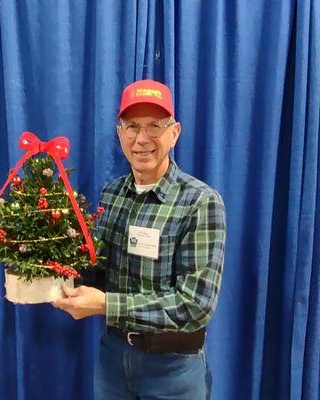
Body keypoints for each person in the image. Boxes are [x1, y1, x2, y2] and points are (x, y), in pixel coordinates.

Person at [53, 79, 226, 399]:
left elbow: (195, 305)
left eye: (154, 126)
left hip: (173, 370)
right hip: (113, 361)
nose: (141, 139)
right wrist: (55, 272)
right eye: (132, 126)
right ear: (119, 133)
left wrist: (104, 304)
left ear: (174, 133)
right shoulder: (112, 194)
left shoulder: (200, 202)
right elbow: (98, 270)